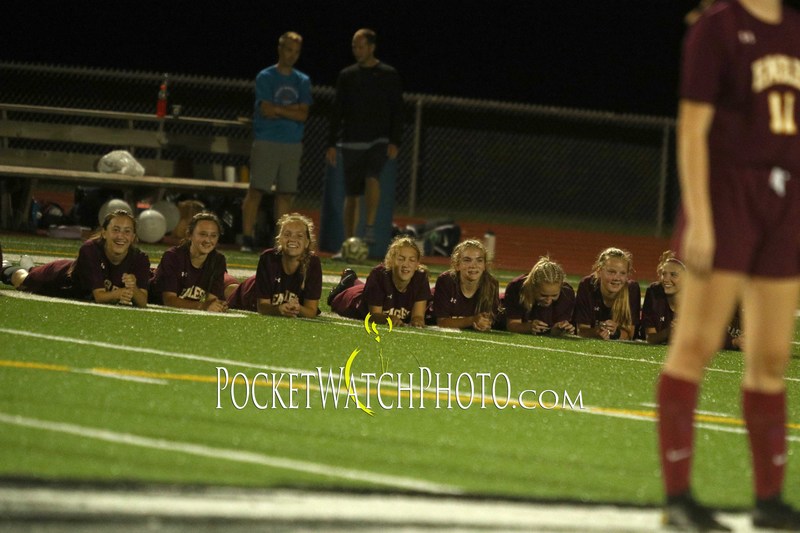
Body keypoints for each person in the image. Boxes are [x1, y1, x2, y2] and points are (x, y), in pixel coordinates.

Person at [657, 1, 800, 530]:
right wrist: (700, 216)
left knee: (770, 355)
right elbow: (692, 129)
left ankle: (769, 501)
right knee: (695, 343)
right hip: (728, 193)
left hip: (785, 197)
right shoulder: (717, 28)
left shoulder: (793, 30)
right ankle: (678, 498)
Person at [326, 28, 404, 244]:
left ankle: (369, 227)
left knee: (372, 177)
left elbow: (397, 109)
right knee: (351, 194)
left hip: (377, 140)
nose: (357, 50)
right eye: (354, 46)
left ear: (371, 47)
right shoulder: (347, 75)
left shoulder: (388, 74)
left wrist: (395, 140)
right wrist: (331, 143)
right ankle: (349, 241)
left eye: (361, 46)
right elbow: (337, 110)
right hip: (352, 141)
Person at [241, 31, 312, 252]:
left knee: (285, 194)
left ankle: (279, 241)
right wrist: (292, 110)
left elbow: (303, 114)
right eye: (289, 50)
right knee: (256, 191)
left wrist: (279, 109)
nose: (292, 55)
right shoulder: (266, 76)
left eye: (297, 52)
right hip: (267, 140)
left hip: (292, 143)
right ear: (280, 49)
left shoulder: (302, 80)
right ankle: (246, 238)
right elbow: (266, 109)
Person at [2, 209, 149, 306]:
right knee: (22, 281)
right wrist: (119, 293)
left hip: (79, 286)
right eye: (115, 230)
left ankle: (30, 266)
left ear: (133, 236)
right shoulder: (90, 249)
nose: (121, 236)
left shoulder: (140, 258)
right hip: (58, 280)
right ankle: (6, 266)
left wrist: (133, 288)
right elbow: (99, 297)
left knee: (31, 272)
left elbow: (142, 302)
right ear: (104, 233)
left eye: (127, 231)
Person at [641, 250, 745, 348]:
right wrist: (668, 332)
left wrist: (735, 342)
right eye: (664, 274)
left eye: (673, 274)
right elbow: (650, 338)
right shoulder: (654, 292)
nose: (666, 279)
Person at [227, 212, 322, 317]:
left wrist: (298, 308)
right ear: (279, 239)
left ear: (307, 242)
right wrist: (279, 309)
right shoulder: (268, 258)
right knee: (227, 290)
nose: (293, 239)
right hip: (247, 293)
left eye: (299, 236)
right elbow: (262, 307)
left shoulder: (313, 263)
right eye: (287, 234)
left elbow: (311, 311)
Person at [329, 236, 430, 327]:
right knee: (343, 295)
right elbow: (373, 315)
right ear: (391, 261)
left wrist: (417, 320)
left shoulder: (420, 277)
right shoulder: (379, 275)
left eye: (411, 260)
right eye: (401, 259)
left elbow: (418, 316)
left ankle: (352, 279)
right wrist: (388, 318)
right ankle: (347, 282)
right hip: (351, 302)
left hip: (367, 291)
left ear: (417, 263)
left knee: (364, 287)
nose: (406, 264)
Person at [149, 212, 229, 312]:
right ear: (189, 235)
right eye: (203, 234)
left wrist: (217, 306)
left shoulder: (218, 261)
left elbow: (211, 301)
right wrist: (202, 306)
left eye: (213, 236)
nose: (208, 240)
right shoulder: (173, 257)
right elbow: (169, 300)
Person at [429, 239, 500, 331]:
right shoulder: (446, 280)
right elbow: (442, 322)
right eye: (467, 260)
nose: (473, 265)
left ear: (484, 266)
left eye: (479, 260)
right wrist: (472, 320)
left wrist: (483, 324)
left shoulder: (491, 284)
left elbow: (488, 321)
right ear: (457, 265)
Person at [573, 247, 640, 340]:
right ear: (599, 271)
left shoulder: (632, 289)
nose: (617, 278)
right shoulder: (587, 285)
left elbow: (630, 335)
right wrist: (597, 332)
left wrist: (616, 332)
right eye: (612, 272)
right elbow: (582, 331)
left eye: (622, 273)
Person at [504, 256, 576, 336]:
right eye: (543, 295)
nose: (548, 300)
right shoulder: (517, 287)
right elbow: (512, 325)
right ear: (533, 286)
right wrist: (528, 327)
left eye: (554, 295)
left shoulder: (567, 293)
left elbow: (558, 326)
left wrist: (561, 328)